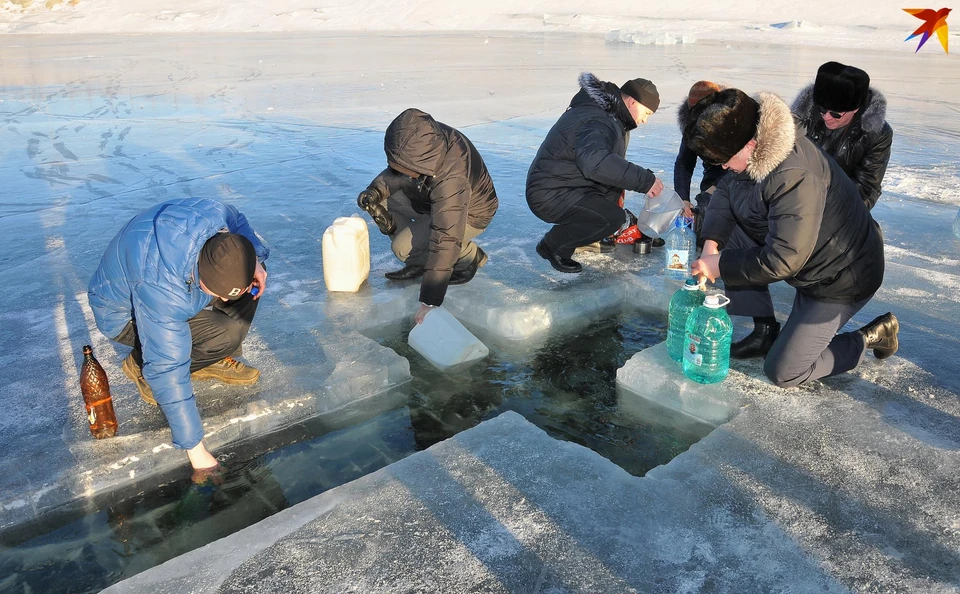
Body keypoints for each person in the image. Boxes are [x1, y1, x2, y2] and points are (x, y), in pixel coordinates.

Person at [683, 88, 899, 387]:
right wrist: (712, 244)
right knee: (727, 242)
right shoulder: (758, 151)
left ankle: (869, 337)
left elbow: (785, 259)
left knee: (784, 372)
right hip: (809, 260)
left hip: (841, 277)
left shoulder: (794, 174)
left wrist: (720, 265)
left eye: (726, 159)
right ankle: (764, 331)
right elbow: (725, 191)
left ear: (750, 144)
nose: (722, 167)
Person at [88, 197, 269, 472]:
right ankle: (141, 365)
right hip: (124, 315)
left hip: (176, 280)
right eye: (219, 295)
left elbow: (237, 219)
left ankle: (205, 355)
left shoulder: (214, 215)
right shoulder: (161, 289)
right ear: (202, 280)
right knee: (226, 334)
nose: (224, 299)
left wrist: (254, 259)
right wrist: (197, 453)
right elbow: (168, 367)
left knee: (253, 282)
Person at [357, 108, 498, 324]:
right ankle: (420, 261)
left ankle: (469, 257)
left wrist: (430, 300)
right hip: (430, 199)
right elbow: (396, 174)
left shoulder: (453, 178)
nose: (397, 168)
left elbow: (445, 237)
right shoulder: (424, 140)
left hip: (470, 213)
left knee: (402, 248)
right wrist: (374, 192)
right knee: (382, 200)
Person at [526, 72, 665, 273]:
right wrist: (644, 180)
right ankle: (553, 246)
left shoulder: (609, 115)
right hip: (551, 193)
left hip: (569, 185)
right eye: (647, 113)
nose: (645, 121)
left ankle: (589, 236)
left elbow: (606, 167)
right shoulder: (600, 119)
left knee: (612, 205)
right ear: (633, 102)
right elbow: (596, 162)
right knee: (611, 218)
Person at [791, 61, 893, 210]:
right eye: (822, 109)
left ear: (856, 109)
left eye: (835, 114)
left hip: (838, 208)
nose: (826, 117)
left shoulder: (876, 135)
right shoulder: (801, 117)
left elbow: (865, 190)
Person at [673, 80, 728, 242]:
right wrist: (683, 198)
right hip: (713, 172)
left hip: (743, 174)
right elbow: (684, 163)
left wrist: (718, 187)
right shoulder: (691, 125)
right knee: (705, 213)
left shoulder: (735, 119)